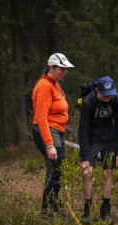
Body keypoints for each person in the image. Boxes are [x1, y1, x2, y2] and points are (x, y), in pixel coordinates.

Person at [78, 76, 118, 225]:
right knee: (87, 172)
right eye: (105, 94)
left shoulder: (117, 100)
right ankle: (87, 209)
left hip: (110, 138)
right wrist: (85, 156)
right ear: (97, 90)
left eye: (110, 93)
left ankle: (105, 209)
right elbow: (83, 130)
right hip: (92, 138)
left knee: (108, 172)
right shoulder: (88, 102)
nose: (108, 97)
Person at [32, 53, 74, 216]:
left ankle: (47, 209)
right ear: (51, 68)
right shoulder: (44, 86)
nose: (64, 72)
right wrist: (49, 145)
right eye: (61, 69)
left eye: (66, 69)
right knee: (58, 168)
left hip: (56, 130)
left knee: (54, 169)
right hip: (47, 130)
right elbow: (41, 116)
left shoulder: (55, 84)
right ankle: (51, 206)